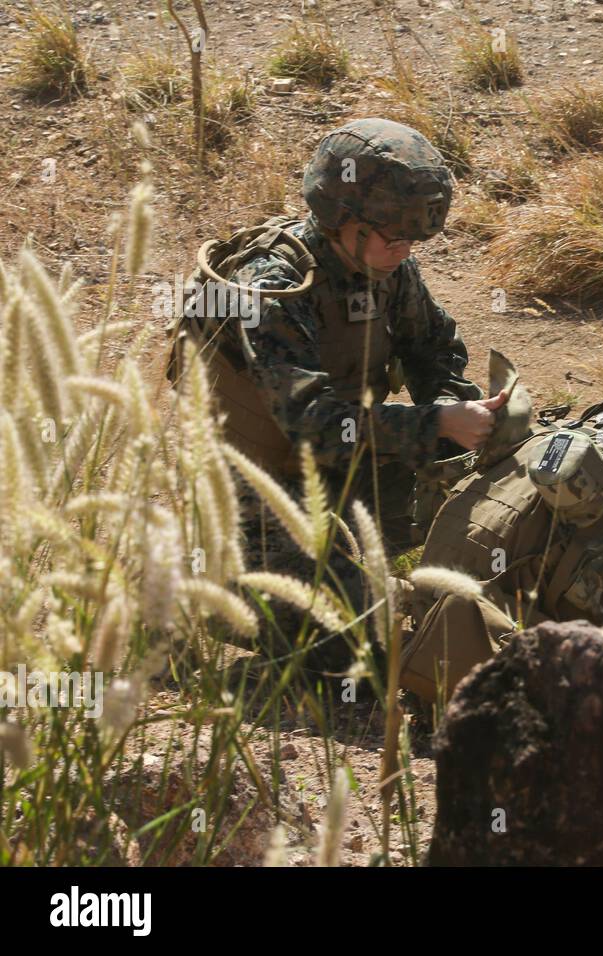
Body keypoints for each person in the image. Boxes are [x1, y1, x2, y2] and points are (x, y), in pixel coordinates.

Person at [170, 117, 505, 670]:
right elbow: (312, 422)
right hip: (256, 493)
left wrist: (459, 419)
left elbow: (434, 346)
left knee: (484, 514)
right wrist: (437, 422)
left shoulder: (384, 263)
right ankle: (200, 584)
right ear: (340, 218)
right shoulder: (273, 287)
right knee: (358, 640)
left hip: (338, 469)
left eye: (415, 237)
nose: (405, 248)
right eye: (393, 235)